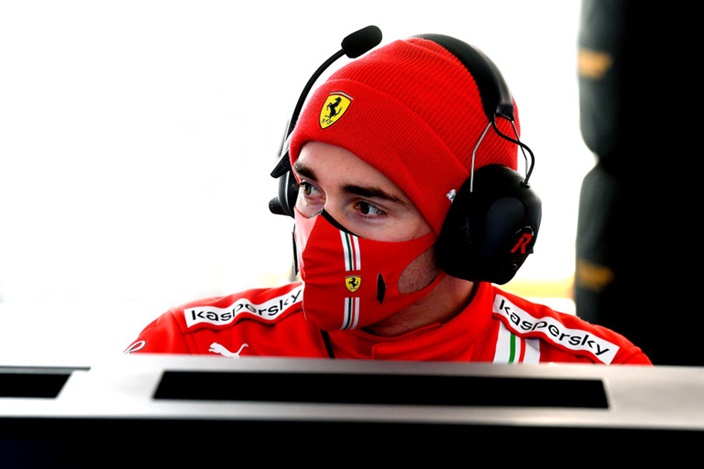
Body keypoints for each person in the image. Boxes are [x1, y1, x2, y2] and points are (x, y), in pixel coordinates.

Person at [123, 28, 651, 365]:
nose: (318, 236)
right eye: (309, 190)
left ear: (471, 231)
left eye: (367, 206)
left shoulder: (601, 378)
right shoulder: (189, 350)